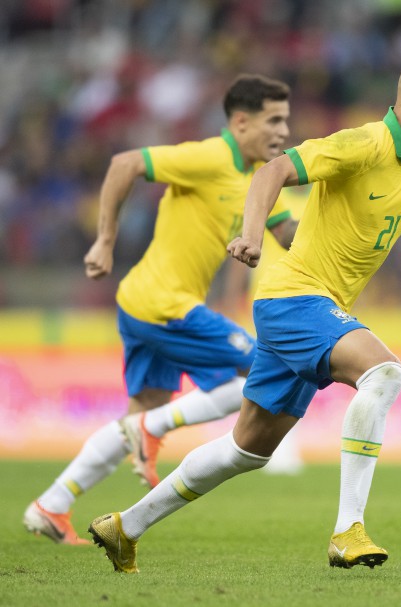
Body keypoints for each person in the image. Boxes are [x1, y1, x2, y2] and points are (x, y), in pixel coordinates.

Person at [86, 52, 401, 574]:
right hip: (295, 299)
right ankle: (348, 531)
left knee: (245, 451)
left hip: (309, 309)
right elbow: (272, 170)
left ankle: (124, 528)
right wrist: (251, 235)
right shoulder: (361, 145)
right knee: (383, 374)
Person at [23, 74, 298, 545]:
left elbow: (290, 236)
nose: (283, 131)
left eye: (286, 121)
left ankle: (52, 504)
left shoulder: (261, 178)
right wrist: (105, 241)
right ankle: (154, 428)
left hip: (146, 304)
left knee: (137, 414)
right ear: (240, 121)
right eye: (273, 120)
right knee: (270, 368)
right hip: (162, 304)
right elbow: (125, 163)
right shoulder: (210, 157)